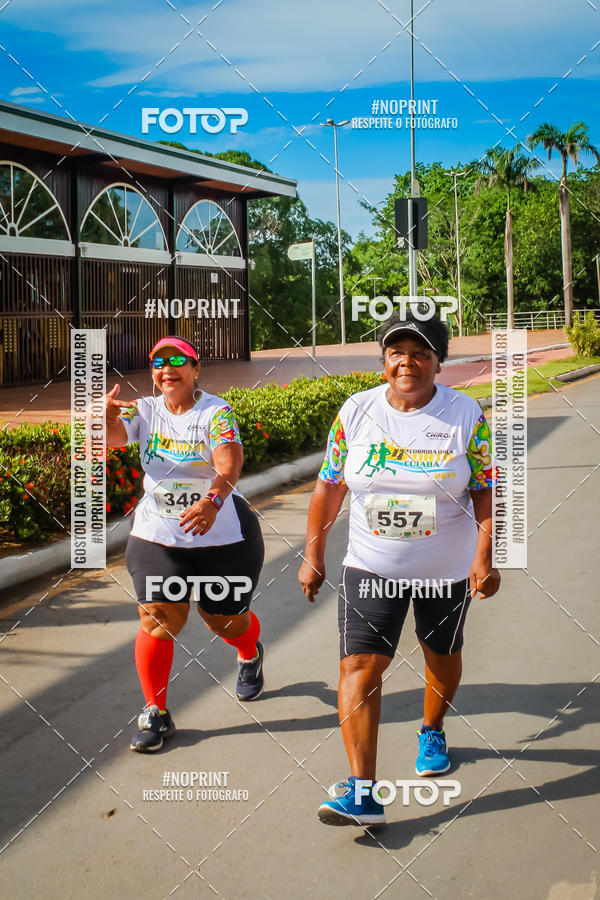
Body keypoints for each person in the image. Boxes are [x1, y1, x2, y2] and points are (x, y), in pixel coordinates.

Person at [298, 311, 500, 825]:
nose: (407, 362)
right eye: (396, 352)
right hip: (369, 564)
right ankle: (362, 791)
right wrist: (313, 553)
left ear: (438, 362)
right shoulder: (356, 411)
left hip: (444, 568)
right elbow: (329, 486)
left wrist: (484, 555)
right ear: (385, 360)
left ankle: (432, 727)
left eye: (420, 352)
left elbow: (484, 488)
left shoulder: (465, 415)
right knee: (359, 666)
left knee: (442, 654)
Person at [105, 336, 265, 753]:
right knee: (157, 618)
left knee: (223, 621)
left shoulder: (215, 411)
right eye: (159, 362)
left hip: (223, 537)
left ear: (196, 370)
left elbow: (229, 461)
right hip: (158, 535)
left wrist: (212, 500)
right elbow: (112, 440)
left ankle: (248, 652)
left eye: (179, 360)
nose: (167, 369)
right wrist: (102, 418)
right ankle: (155, 712)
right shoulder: (144, 410)